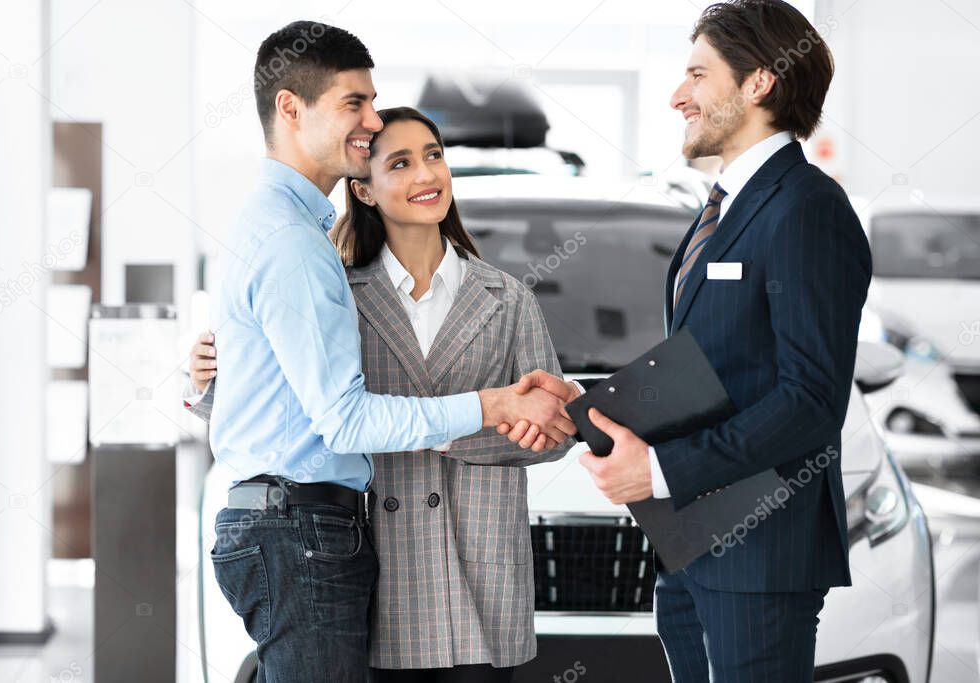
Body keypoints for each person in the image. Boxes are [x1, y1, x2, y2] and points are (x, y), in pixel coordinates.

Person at [195, 21, 574, 683]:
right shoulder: (317, 262)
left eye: (435, 154)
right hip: (343, 552)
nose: (370, 121)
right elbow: (338, 416)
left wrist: (503, 425)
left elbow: (553, 425)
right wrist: (489, 407)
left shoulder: (505, 297)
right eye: (355, 105)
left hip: (471, 572)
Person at [509, 1, 872, 680]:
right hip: (694, 544)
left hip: (760, 550)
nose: (679, 96)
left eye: (697, 75)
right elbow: (713, 372)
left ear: (759, 81)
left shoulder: (805, 207)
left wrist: (664, 470)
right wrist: (583, 405)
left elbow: (811, 399)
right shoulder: (730, 205)